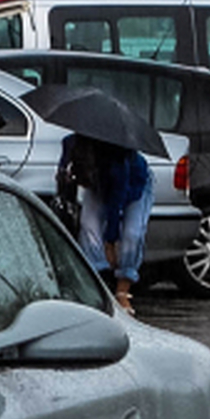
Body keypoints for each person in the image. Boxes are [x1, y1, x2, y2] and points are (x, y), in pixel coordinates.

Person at [57, 129, 155, 314]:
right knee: (88, 227)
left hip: (134, 186)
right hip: (100, 183)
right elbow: (63, 178)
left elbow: (116, 202)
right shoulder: (70, 144)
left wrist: (110, 241)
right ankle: (98, 284)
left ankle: (123, 292)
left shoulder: (120, 157)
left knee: (132, 234)